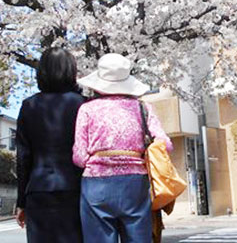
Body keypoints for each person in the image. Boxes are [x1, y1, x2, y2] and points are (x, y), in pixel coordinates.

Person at [73, 53, 173, 243]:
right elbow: (165, 144)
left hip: (96, 184)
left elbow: (78, 156)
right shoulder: (143, 108)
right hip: (135, 183)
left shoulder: (87, 109)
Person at [15, 47, 85, 243]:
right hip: (77, 189)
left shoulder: (29, 106)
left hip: (39, 189)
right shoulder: (84, 105)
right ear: (71, 71)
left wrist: (21, 202)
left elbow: (23, 157)